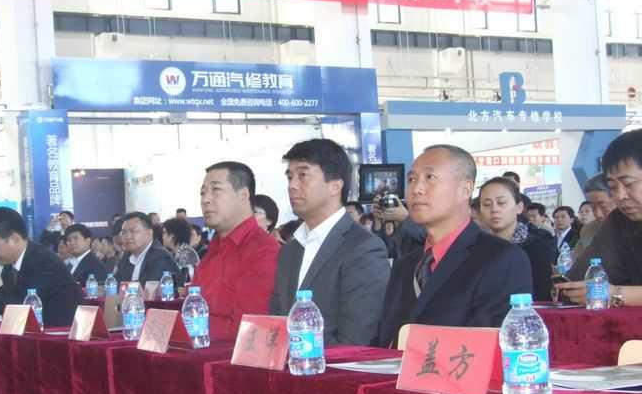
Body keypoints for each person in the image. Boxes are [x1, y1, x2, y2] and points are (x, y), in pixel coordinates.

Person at [375, 145, 532, 348]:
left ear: (465, 190)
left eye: (430, 178)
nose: (416, 189)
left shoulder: (501, 259)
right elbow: (384, 341)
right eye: (412, 179)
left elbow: (490, 348)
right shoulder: (406, 266)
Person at [271, 139, 389, 346]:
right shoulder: (289, 250)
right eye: (289, 177)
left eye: (303, 175)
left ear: (335, 186)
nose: (292, 186)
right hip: (289, 364)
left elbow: (357, 338)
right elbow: (277, 321)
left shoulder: (363, 249)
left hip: (337, 364)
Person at [192, 161, 281, 339]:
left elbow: (249, 330)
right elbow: (193, 312)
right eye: (202, 192)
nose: (205, 199)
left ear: (243, 195)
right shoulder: (213, 250)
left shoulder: (264, 250)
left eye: (216, 190)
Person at [0, 207, 81, 326]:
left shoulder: (42, 260)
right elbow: (3, 299)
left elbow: (21, 303)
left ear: (14, 239)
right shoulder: (9, 265)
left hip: (61, 334)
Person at [558, 129, 642, 305]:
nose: (620, 196)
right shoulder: (618, 222)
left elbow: (606, 292)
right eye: (613, 187)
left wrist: (617, 294)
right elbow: (579, 278)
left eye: (628, 184)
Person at [478, 177, 557, 301]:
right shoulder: (474, 248)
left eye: (501, 203)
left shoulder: (538, 247)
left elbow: (542, 296)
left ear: (519, 207)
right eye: (487, 204)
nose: (494, 209)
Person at [114, 212, 179, 288]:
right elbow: (114, 285)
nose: (128, 236)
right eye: (124, 232)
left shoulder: (160, 256)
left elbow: (149, 288)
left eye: (133, 231)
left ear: (149, 233)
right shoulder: (126, 257)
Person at [572, 173, 617, 261]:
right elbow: (576, 262)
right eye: (593, 208)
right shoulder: (587, 230)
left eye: (603, 206)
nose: (598, 214)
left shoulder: (634, 229)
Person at [162, 217, 200, 283]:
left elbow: (183, 283)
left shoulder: (187, 255)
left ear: (172, 236)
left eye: (164, 232)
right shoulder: (177, 252)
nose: (162, 236)